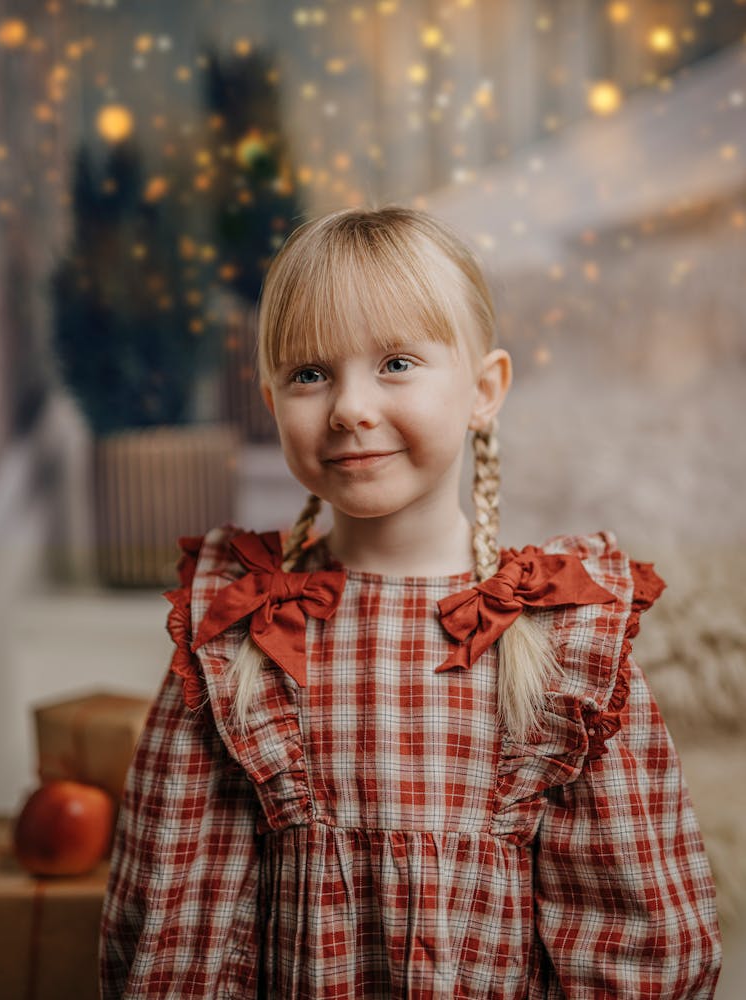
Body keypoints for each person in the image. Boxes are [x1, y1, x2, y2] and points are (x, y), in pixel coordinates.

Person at [100, 206, 721, 998]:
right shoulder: (239, 636)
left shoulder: (564, 641)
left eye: (396, 362)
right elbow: (176, 909)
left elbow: (633, 931)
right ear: (269, 400)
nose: (350, 406)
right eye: (309, 373)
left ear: (484, 390)